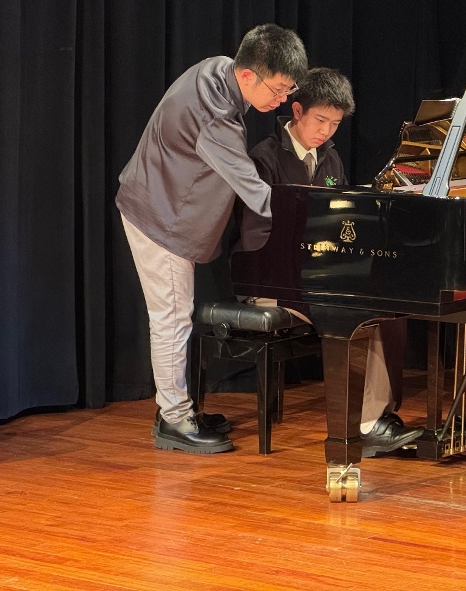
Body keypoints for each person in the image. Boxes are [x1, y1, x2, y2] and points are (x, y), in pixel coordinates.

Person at [116, 24, 308, 454]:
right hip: (159, 215)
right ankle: (174, 419)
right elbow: (252, 187)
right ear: (248, 75)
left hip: (158, 196)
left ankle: (177, 408)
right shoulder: (215, 117)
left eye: (288, 90)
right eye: (278, 90)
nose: (281, 100)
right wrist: (308, 220)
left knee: (175, 315)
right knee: (172, 318)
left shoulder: (219, 68)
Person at [249, 67, 423, 457]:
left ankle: (379, 415)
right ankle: (365, 424)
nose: (326, 131)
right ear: (297, 110)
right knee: (355, 309)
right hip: (273, 279)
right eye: (320, 120)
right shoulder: (265, 158)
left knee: (391, 305)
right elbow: (256, 233)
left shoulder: (330, 158)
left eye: (335, 124)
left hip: (320, 275)